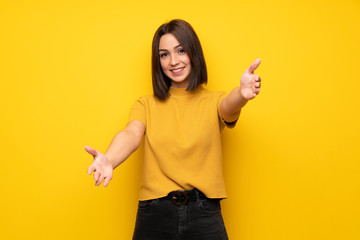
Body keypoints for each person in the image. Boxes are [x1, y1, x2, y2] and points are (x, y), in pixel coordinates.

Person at [85, 19, 262, 240]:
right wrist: (109, 159)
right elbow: (131, 134)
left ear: (193, 53)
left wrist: (242, 94)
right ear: (157, 61)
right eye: (164, 54)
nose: (173, 61)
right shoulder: (145, 104)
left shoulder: (214, 101)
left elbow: (229, 106)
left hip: (204, 213)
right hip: (154, 214)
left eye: (181, 51)